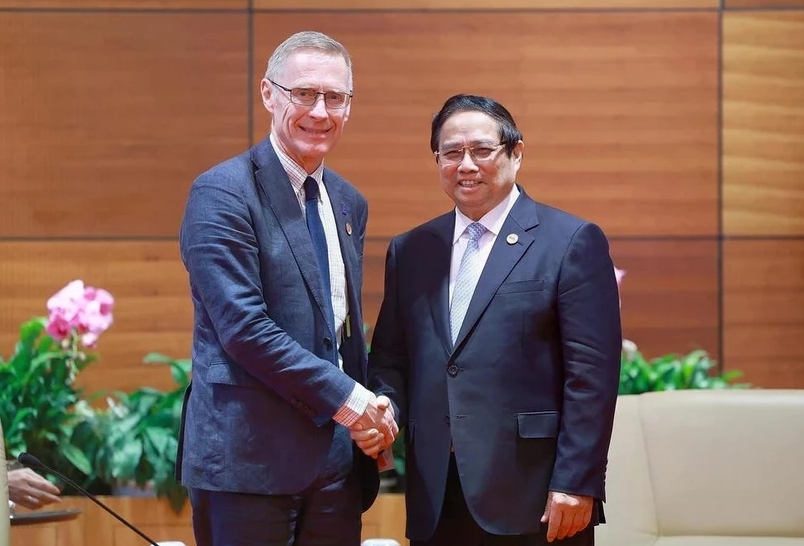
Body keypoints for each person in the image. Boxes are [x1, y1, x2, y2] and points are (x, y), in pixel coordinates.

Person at [355, 94, 622, 546]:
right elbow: (391, 358)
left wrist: (577, 481)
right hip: (437, 491)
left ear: (516, 154)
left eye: (482, 150)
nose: (466, 165)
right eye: (451, 153)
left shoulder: (571, 241)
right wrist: (386, 409)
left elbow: (592, 377)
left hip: (535, 494)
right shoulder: (412, 250)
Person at [176, 30, 397, 546]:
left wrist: (372, 415)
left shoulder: (348, 202)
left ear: (349, 106)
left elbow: (339, 330)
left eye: (335, 97)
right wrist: (350, 400)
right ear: (268, 93)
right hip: (247, 465)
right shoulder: (222, 193)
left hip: (336, 468)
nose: (320, 111)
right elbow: (244, 329)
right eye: (304, 94)